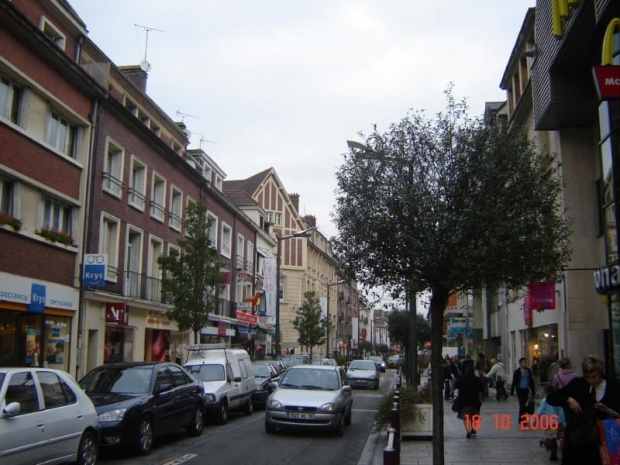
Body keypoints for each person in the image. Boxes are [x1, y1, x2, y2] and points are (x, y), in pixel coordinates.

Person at [546, 354, 620, 465]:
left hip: (604, 444)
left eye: (594, 377)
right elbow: (552, 398)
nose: (590, 380)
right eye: (587, 377)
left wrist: (608, 410)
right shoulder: (578, 384)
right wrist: (568, 399)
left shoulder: (613, 388)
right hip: (578, 443)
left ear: (600, 374)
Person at [453, 360, 484, 439]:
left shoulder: (461, 378)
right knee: (474, 416)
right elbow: (481, 391)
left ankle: (468, 431)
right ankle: (473, 428)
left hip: (463, 400)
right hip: (474, 400)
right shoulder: (477, 379)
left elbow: (455, 387)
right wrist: (480, 399)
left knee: (466, 417)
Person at [537, 384, 566, 462]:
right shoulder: (558, 400)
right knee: (557, 436)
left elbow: (539, 411)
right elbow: (561, 412)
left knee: (550, 437)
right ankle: (554, 450)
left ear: (546, 392)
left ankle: (553, 452)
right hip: (558, 422)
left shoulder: (545, 400)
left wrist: (535, 420)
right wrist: (564, 422)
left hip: (549, 422)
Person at [510, 357, 536, 425]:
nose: (525, 363)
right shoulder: (517, 371)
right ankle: (522, 420)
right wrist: (512, 390)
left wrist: (533, 390)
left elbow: (531, 381)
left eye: (525, 362)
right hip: (519, 389)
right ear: (520, 363)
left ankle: (521, 419)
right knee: (522, 404)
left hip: (526, 389)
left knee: (524, 404)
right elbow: (514, 381)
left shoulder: (528, 370)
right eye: (523, 362)